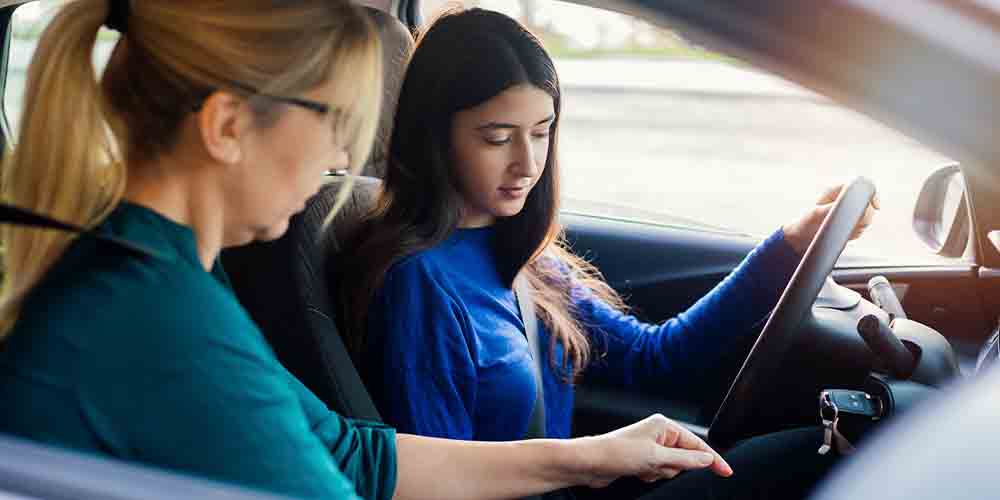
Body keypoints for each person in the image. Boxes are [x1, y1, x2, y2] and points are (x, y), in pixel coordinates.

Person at [0, 2, 734, 500]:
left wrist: (592, 456)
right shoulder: (158, 320)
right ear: (227, 126)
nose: (346, 155)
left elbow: (355, 454)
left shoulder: (165, 275)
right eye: (334, 121)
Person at [339, 8, 877, 499]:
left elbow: (657, 358)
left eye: (541, 132)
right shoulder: (419, 285)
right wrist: (588, 461)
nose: (527, 163)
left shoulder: (524, 256)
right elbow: (432, 484)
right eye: (497, 138)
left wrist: (791, 244)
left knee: (814, 453)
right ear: (436, 138)